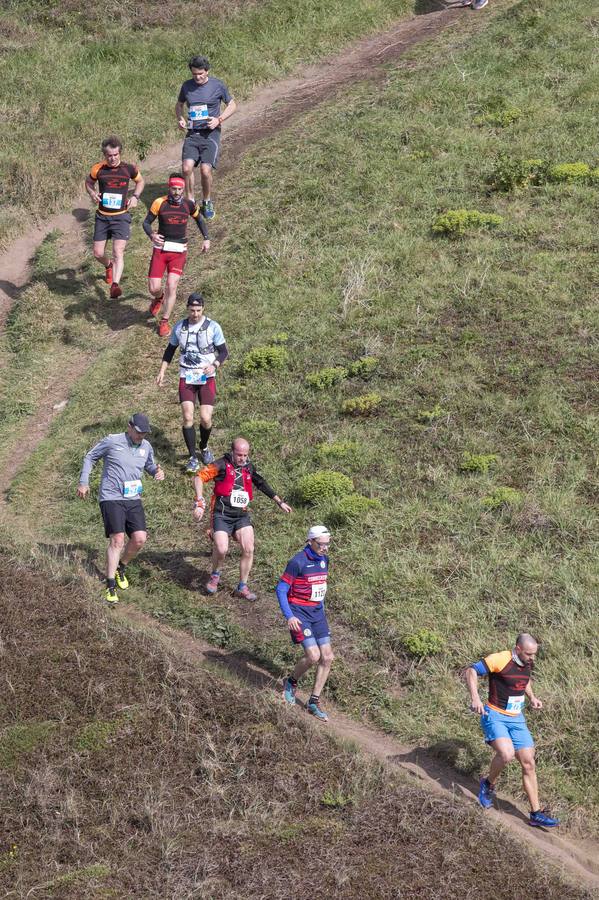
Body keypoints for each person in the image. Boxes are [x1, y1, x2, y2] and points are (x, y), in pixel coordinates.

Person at [464, 633, 560, 827]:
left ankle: (535, 813)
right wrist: (475, 698)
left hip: (517, 718)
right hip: (495, 714)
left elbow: (525, 680)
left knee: (528, 762)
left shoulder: (527, 661)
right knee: (506, 754)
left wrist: (532, 697)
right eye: (529, 654)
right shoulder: (500, 659)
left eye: (534, 654)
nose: (532, 658)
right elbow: (471, 671)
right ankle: (488, 783)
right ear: (517, 649)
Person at [77, 413, 165, 604]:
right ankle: (110, 585)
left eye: (145, 433)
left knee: (140, 539)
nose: (141, 436)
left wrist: (157, 472)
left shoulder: (146, 446)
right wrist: (84, 481)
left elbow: (149, 466)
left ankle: (121, 567)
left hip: (133, 498)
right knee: (117, 539)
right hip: (111, 497)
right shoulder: (112, 441)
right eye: (139, 432)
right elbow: (90, 457)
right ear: (129, 427)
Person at [192, 437, 292, 600]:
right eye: (239, 455)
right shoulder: (221, 465)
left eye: (245, 455)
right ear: (232, 452)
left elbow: (261, 482)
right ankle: (215, 575)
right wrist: (199, 501)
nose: (243, 459)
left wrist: (279, 502)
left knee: (249, 548)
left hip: (240, 516)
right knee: (222, 549)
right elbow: (199, 477)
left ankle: (242, 586)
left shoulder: (249, 467)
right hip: (221, 514)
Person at [156, 293, 228, 470]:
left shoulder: (213, 327)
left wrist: (215, 365)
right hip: (187, 377)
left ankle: (203, 447)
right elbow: (170, 350)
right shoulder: (180, 327)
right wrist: (162, 372)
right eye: (192, 310)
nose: (195, 314)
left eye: (198, 310)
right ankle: (192, 457)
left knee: (205, 418)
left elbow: (224, 351)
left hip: (206, 378)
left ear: (203, 309)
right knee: (188, 416)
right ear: (187, 308)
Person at [143, 173, 211, 337]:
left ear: (183, 188)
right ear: (169, 187)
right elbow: (146, 222)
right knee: (154, 288)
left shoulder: (188, 204)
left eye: (180, 189)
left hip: (179, 252)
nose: (177, 192)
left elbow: (200, 220)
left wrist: (206, 238)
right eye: (174, 188)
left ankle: (164, 321)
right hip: (161, 250)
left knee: (172, 285)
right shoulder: (160, 203)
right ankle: (159, 298)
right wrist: (152, 234)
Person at [277, 526, 334, 723]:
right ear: (310, 541)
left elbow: (320, 588)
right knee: (313, 656)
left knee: (327, 657)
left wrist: (322, 610)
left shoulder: (324, 560)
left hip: (317, 613)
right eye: (322, 544)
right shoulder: (297, 561)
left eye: (328, 544)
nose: (325, 548)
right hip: (300, 613)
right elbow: (281, 589)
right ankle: (291, 682)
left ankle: (313, 702)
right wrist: (289, 616)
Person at [175, 55, 237, 218]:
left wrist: (219, 119)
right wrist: (180, 118)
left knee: (204, 169)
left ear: (207, 71)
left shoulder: (217, 85)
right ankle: (190, 201)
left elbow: (232, 104)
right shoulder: (187, 86)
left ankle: (207, 201)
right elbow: (179, 104)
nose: (198, 77)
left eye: (201, 73)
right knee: (187, 168)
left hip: (211, 134)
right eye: (195, 74)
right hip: (193, 133)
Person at [85, 136, 144, 299]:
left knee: (118, 251)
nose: (112, 158)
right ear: (105, 155)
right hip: (102, 217)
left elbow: (140, 181)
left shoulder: (129, 169)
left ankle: (115, 285)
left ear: (120, 153)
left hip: (120, 217)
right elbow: (88, 182)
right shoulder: (98, 169)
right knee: (97, 253)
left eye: (115, 155)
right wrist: (92, 193)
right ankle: (109, 265)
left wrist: (135, 197)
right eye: (109, 155)